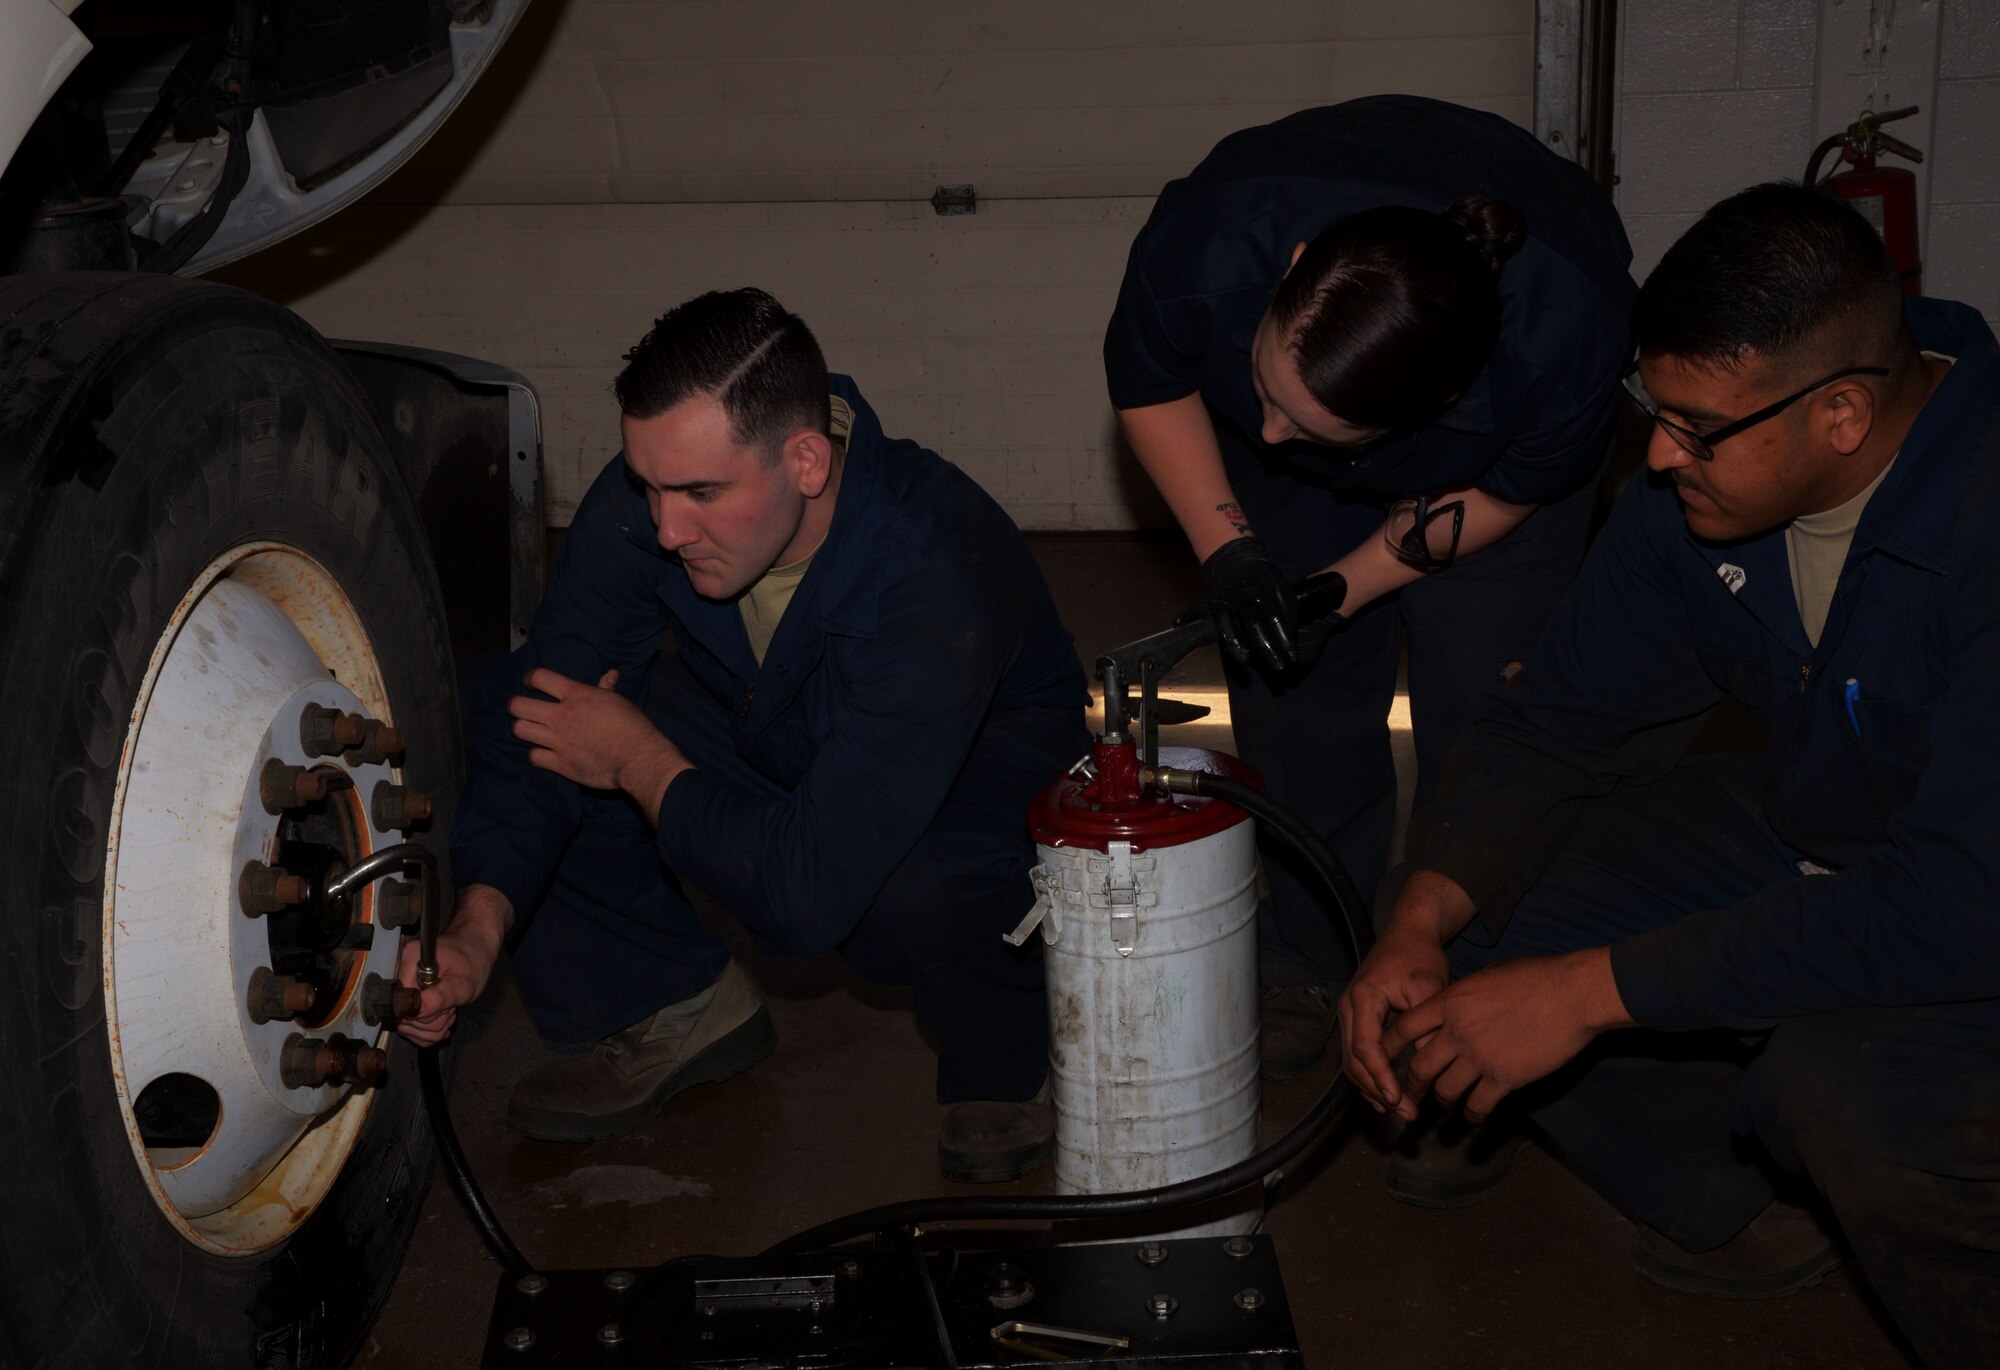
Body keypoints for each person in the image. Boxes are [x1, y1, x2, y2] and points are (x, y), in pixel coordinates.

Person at [1338, 183, 1999, 1364]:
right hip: (1829, 817)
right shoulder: (1701, 490)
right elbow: (1556, 722)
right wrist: (1422, 913)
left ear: (1840, 412)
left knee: (1847, 1094)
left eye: (1694, 425)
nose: (1654, 451)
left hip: (1970, 902)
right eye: (1651, 403)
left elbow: (1951, 906)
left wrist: (1592, 991)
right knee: (1460, 904)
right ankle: (1734, 1198)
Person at [394, 288, 1090, 1183]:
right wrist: (477, 928)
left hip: (963, 779)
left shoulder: (934, 570)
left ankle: (1007, 1061)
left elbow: (806, 900)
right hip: (779, 721)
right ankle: (669, 1003)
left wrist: (640, 761)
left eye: (700, 493)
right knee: (526, 707)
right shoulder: (658, 496)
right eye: (646, 484)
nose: (664, 528)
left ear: (806, 461)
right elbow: (550, 703)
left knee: (908, 898)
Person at [1102, 94, 1635, 1083]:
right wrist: (1232, 554)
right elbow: (1150, 382)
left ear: (1433, 407)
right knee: (1291, 701)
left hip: (1493, 487)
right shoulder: (1208, 242)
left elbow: (1507, 493)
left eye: (1299, 420)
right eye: (1264, 391)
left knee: (1485, 717)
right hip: (1309, 457)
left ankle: (1460, 999)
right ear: (1297, 263)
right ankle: (1313, 957)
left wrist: (1340, 585)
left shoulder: (1563, 338)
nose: (1265, 431)